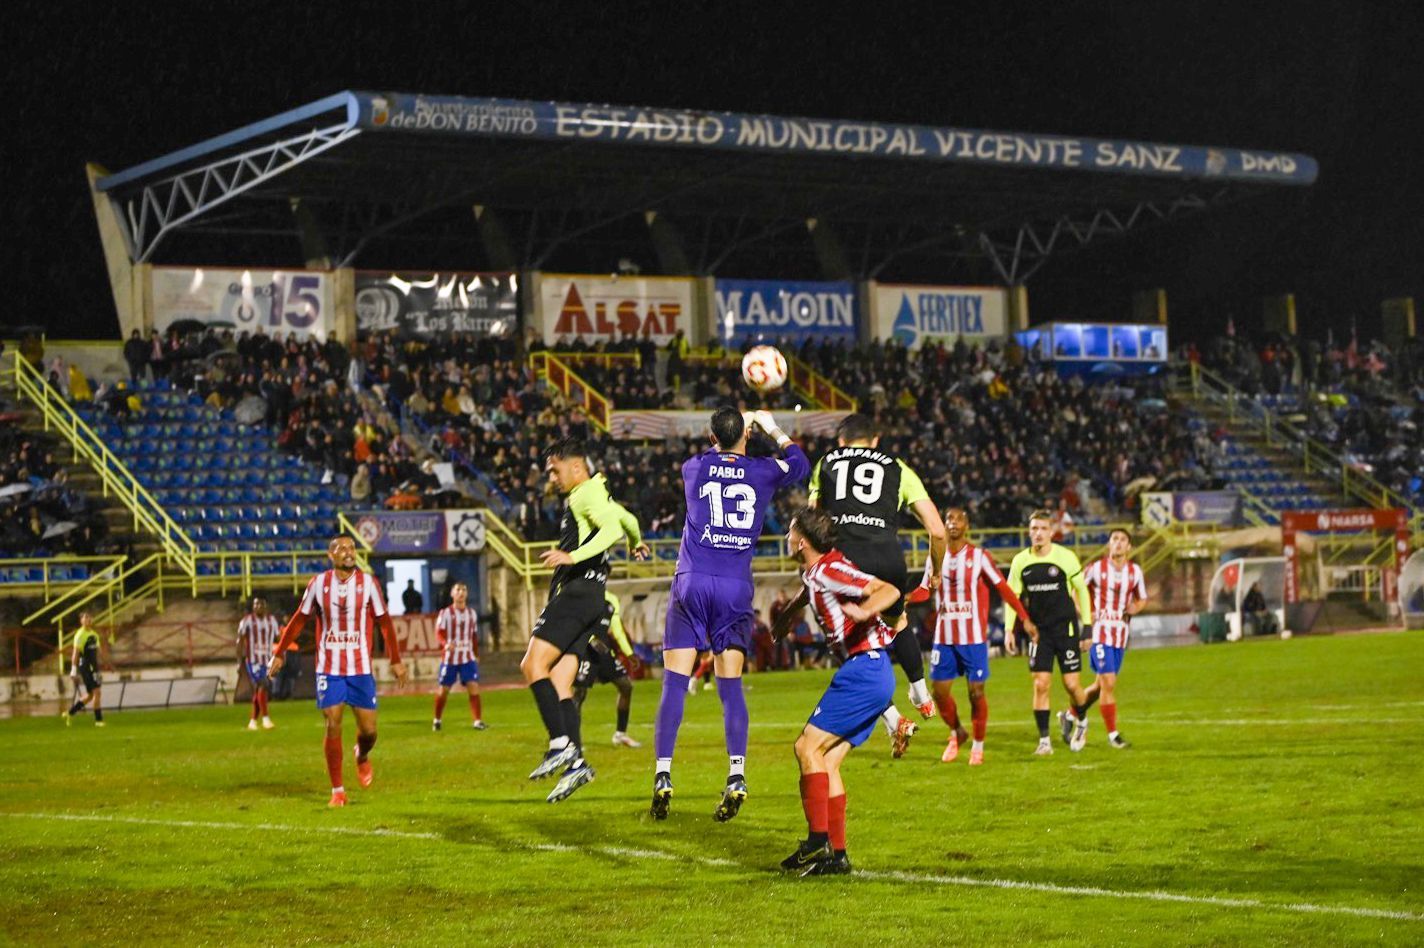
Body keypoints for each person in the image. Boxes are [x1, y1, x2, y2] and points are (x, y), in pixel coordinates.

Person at [651, 408, 809, 822]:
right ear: (749, 435)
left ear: (710, 435)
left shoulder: (693, 467)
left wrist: (733, 436)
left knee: (674, 681)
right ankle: (736, 774)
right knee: (730, 686)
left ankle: (663, 774)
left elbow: (718, 452)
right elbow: (801, 464)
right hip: (734, 587)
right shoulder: (763, 471)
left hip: (693, 581)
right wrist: (770, 428)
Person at [791, 412, 946, 759]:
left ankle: (892, 717)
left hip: (845, 561)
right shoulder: (897, 467)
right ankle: (918, 694)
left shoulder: (827, 462)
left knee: (852, 647)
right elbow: (937, 530)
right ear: (876, 440)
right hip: (889, 556)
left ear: (841, 441)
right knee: (898, 620)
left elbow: (812, 518)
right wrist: (935, 570)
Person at [522, 437, 648, 804]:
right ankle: (576, 765)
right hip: (594, 597)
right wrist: (637, 543)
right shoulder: (599, 492)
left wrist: (571, 556)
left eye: (555, 470)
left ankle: (560, 744)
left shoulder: (582, 495)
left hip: (576, 593)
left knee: (532, 665)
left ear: (576, 467)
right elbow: (627, 521)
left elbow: (610, 531)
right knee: (562, 682)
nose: (552, 477)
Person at [778, 506, 898, 876]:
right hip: (872, 671)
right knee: (827, 762)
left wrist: (866, 612)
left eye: (790, 531)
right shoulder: (818, 571)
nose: (785, 537)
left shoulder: (829, 569)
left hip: (864, 669)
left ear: (801, 540)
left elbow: (887, 589)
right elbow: (811, 588)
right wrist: (789, 614)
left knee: (806, 747)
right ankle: (837, 856)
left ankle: (817, 840)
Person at [269, 536, 409, 807]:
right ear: (330, 555)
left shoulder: (368, 583)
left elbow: (385, 622)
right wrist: (280, 651)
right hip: (329, 667)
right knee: (332, 722)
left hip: (360, 667)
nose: (348, 552)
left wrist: (395, 659)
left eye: (351, 548)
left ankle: (362, 755)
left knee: (369, 731)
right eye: (341, 548)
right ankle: (338, 790)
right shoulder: (318, 584)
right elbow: (299, 619)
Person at [911, 507, 1035, 765]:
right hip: (944, 638)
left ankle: (978, 745)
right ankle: (957, 732)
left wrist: (1024, 617)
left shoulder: (979, 557)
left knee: (976, 693)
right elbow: (924, 590)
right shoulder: (936, 556)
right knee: (940, 692)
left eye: (959, 519)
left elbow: (1002, 586)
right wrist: (903, 599)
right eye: (949, 519)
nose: (953, 523)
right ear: (944, 526)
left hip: (974, 639)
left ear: (967, 526)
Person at [1004, 510, 1093, 756]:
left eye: (1043, 528)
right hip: (1039, 633)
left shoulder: (1066, 557)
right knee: (1041, 685)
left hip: (1066, 629)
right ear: (1028, 532)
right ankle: (1044, 742)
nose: (1038, 533)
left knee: (1072, 685)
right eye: (1034, 529)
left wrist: (1087, 627)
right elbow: (1013, 598)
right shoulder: (1020, 561)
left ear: (1051, 532)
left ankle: (1082, 721)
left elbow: (1082, 592)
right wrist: (1009, 629)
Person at [1074, 529, 1148, 749]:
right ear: (1109, 544)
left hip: (1120, 635)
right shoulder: (1096, 568)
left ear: (1129, 548)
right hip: (1099, 633)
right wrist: (1084, 612)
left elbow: (1142, 598)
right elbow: (1077, 589)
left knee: (1099, 687)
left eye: (1122, 540)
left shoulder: (1135, 572)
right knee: (1109, 682)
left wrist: (1136, 607)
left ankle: (1069, 714)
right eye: (1114, 539)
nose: (1118, 543)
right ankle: (1113, 735)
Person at [573, 589, 642, 749]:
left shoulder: (611, 599)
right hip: (585, 650)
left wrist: (629, 653)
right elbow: (576, 623)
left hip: (603, 650)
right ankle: (573, 741)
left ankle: (620, 734)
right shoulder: (582, 595)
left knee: (626, 686)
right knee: (579, 693)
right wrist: (590, 639)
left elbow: (616, 628)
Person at [432, 582, 487, 732]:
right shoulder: (445, 613)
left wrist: (476, 654)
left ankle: (477, 721)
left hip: (467, 657)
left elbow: (474, 636)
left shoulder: (472, 614)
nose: (461, 592)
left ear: (467, 594)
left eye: (464, 590)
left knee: (473, 686)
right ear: (452, 594)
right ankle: (437, 720)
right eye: (458, 590)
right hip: (450, 658)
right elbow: (438, 632)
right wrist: (445, 643)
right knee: (443, 690)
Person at [237, 596, 280, 731]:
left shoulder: (272, 621)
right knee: (263, 684)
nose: (258, 607)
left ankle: (253, 721)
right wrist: (239, 662)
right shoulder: (247, 621)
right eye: (256, 605)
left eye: (260, 604)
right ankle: (266, 719)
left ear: (265, 606)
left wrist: (279, 655)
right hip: (253, 660)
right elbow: (239, 642)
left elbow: (278, 638)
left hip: (267, 661)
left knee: (259, 690)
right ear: (253, 607)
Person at [62, 612, 105, 727]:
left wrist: (105, 664)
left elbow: (99, 651)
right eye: (85, 617)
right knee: (97, 692)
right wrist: (73, 670)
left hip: (94, 667)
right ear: (81, 621)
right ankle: (98, 720)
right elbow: (75, 653)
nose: (88, 619)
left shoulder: (95, 635)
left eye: (90, 617)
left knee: (91, 695)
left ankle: (70, 713)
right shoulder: (80, 635)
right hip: (85, 667)